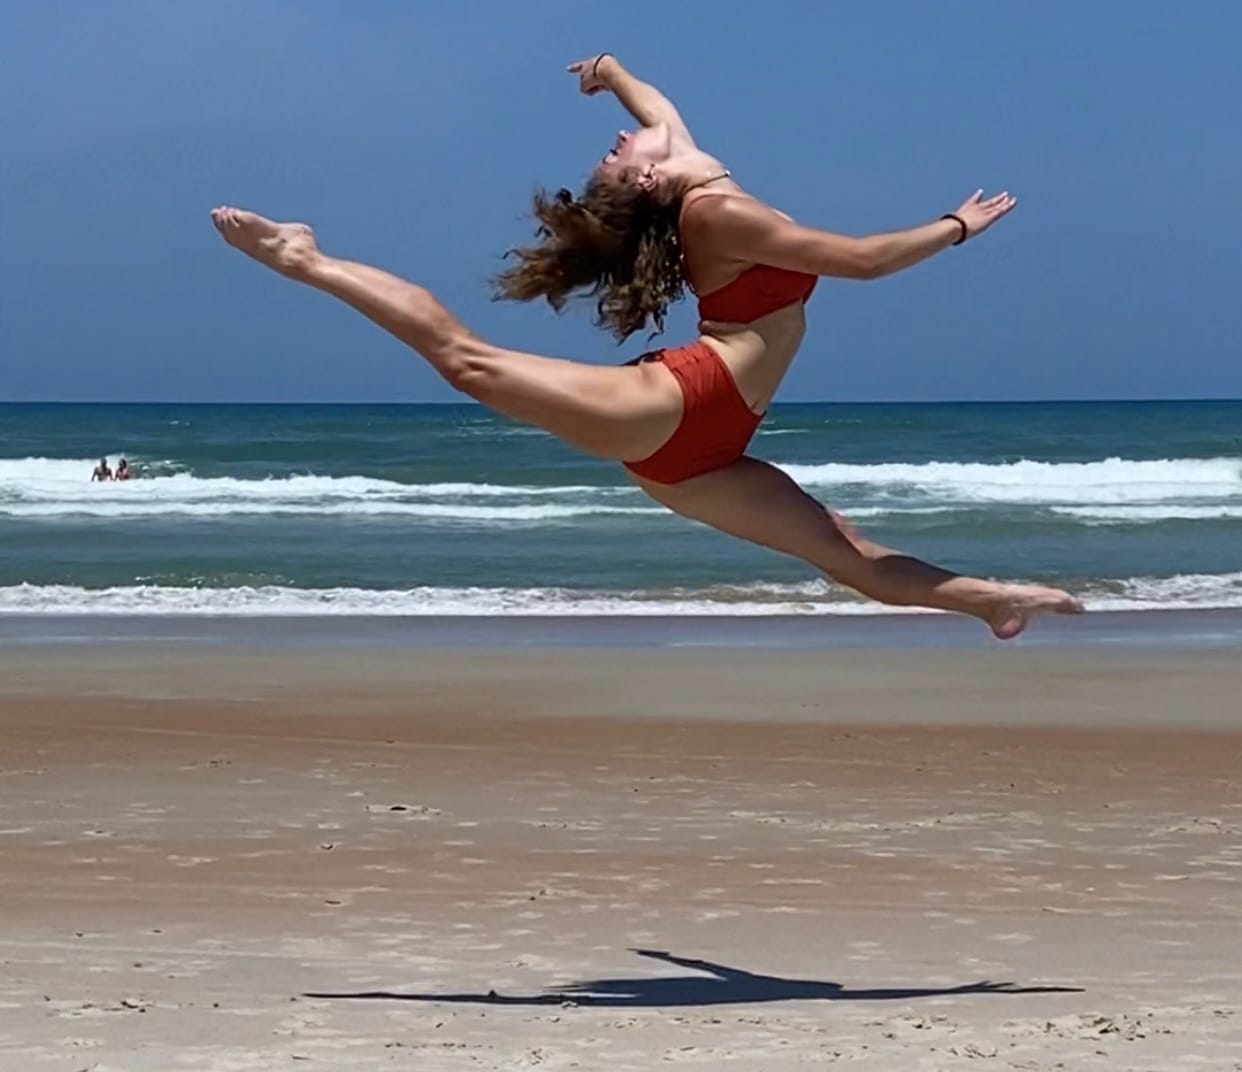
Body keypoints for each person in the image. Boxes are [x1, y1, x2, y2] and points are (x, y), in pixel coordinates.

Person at [210, 54, 1083, 639]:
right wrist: (955, 226)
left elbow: (657, 110)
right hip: (684, 401)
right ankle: (306, 258)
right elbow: (860, 260)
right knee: (470, 365)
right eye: (615, 158)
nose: (617, 143)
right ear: (651, 181)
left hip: (709, 453)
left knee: (847, 558)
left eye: (614, 151)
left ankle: (991, 602)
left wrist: (610, 71)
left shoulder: (700, 172)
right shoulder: (717, 212)